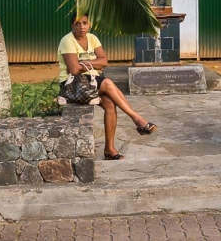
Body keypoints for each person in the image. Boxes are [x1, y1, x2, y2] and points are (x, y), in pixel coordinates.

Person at [58, 13, 157, 161]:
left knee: (110, 104)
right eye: (77, 24)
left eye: (84, 23)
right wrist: (92, 62)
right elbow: (73, 70)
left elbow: (104, 61)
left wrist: (83, 63)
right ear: (72, 25)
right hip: (72, 84)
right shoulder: (67, 40)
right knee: (108, 83)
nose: (82, 27)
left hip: (92, 80)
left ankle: (109, 149)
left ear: (89, 24)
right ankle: (137, 119)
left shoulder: (93, 38)